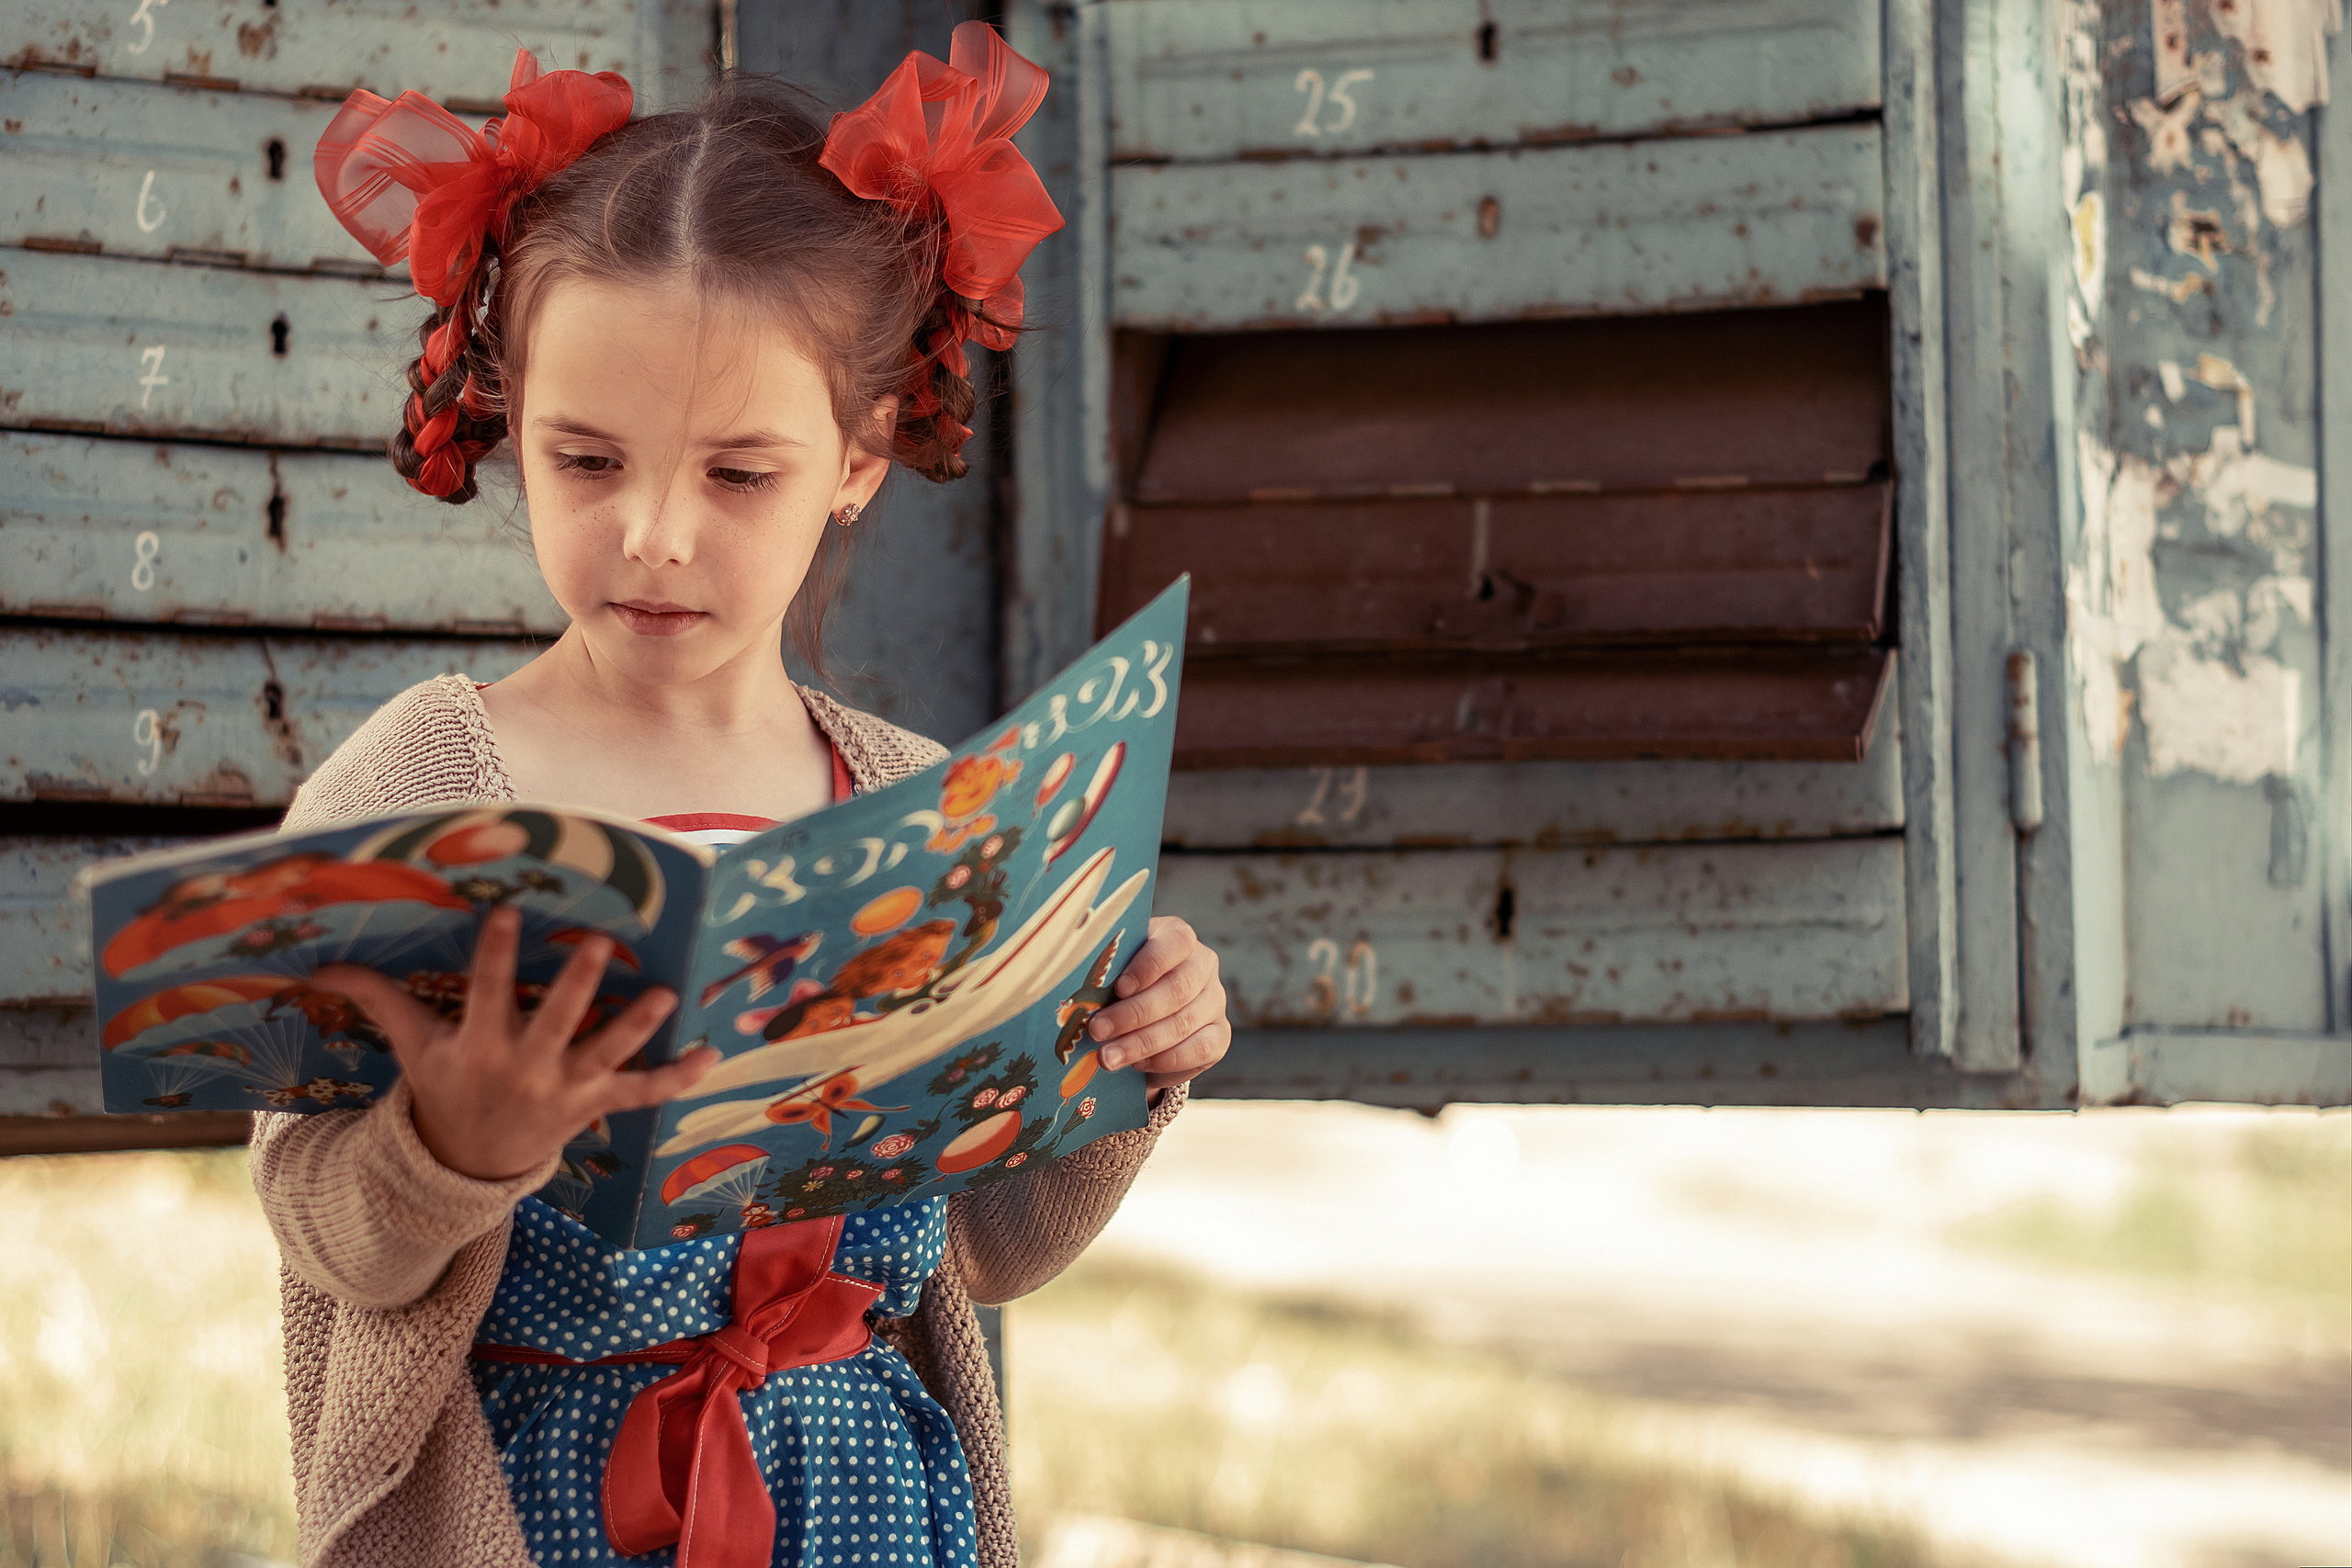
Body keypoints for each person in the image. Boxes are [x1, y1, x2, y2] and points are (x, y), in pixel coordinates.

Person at [248, 26, 1232, 1568]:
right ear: (511, 421)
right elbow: (318, 1225)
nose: (650, 534)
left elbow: (989, 1249)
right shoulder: (427, 787)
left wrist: (1125, 1063)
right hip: (547, 1501)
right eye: (586, 461)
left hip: (874, 1507)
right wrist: (454, 1144)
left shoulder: (917, 806)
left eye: (737, 475)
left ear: (859, 457)